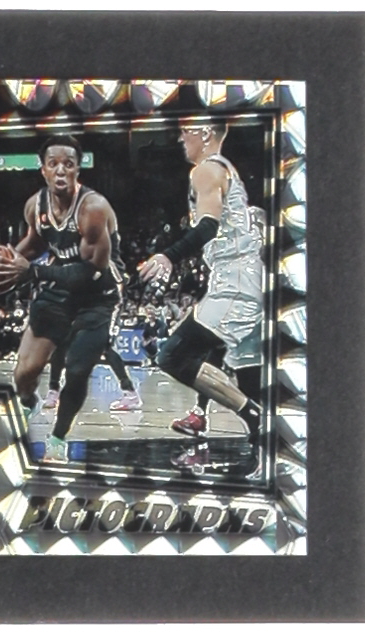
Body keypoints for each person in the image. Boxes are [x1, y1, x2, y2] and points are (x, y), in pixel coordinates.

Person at [0, 135, 125, 463]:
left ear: (78, 169)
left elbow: (91, 270)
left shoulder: (93, 208)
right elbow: (36, 242)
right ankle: (29, 403)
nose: (61, 170)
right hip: (58, 286)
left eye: (68, 164)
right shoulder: (35, 205)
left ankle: (59, 437)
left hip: (99, 293)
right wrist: (4, 263)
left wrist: (33, 272)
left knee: (77, 370)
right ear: (43, 170)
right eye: (53, 164)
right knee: (25, 371)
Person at [139, 119, 264, 471]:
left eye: (186, 131)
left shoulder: (206, 170)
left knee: (173, 355)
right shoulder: (226, 170)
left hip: (236, 282)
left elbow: (208, 226)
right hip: (246, 279)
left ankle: (253, 416)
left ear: (206, 132)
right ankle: (263, 454)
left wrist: (168, 256)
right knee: (248, 371)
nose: (180, 137)